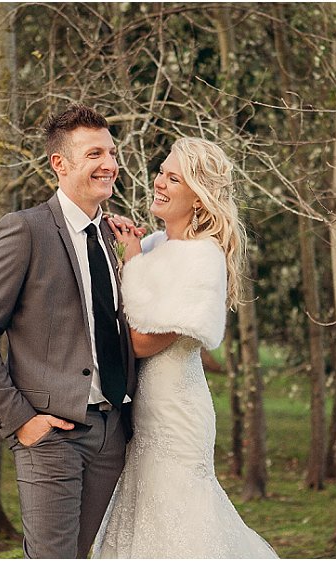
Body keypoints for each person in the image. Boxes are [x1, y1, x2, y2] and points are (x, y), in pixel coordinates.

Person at [0, 105, 145, 558]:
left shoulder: (114, 237)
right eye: (95, 154)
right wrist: (21, 420)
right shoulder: (25, 231)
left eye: (112, 152)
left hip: (112, 433)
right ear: (60, 163)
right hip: (52, 434)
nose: (110, 164)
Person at [92, 137, 278, 558]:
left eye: (173, 178)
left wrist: (132, 260)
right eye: (161, 171)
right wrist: (127, 251)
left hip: (176, 419)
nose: (159, 182)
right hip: (143, 417)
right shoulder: (158, 245)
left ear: (199, 197)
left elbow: (141, 342)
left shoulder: (203, 259)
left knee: (179, 528)